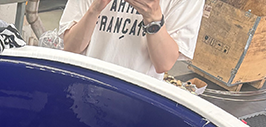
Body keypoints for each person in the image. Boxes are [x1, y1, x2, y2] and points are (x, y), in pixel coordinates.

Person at [60, 0, 205, 78]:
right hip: (85, 85)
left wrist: (153, 17)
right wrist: (95, 9)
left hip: (137, 98)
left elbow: (164, 64)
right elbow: (71, 48)